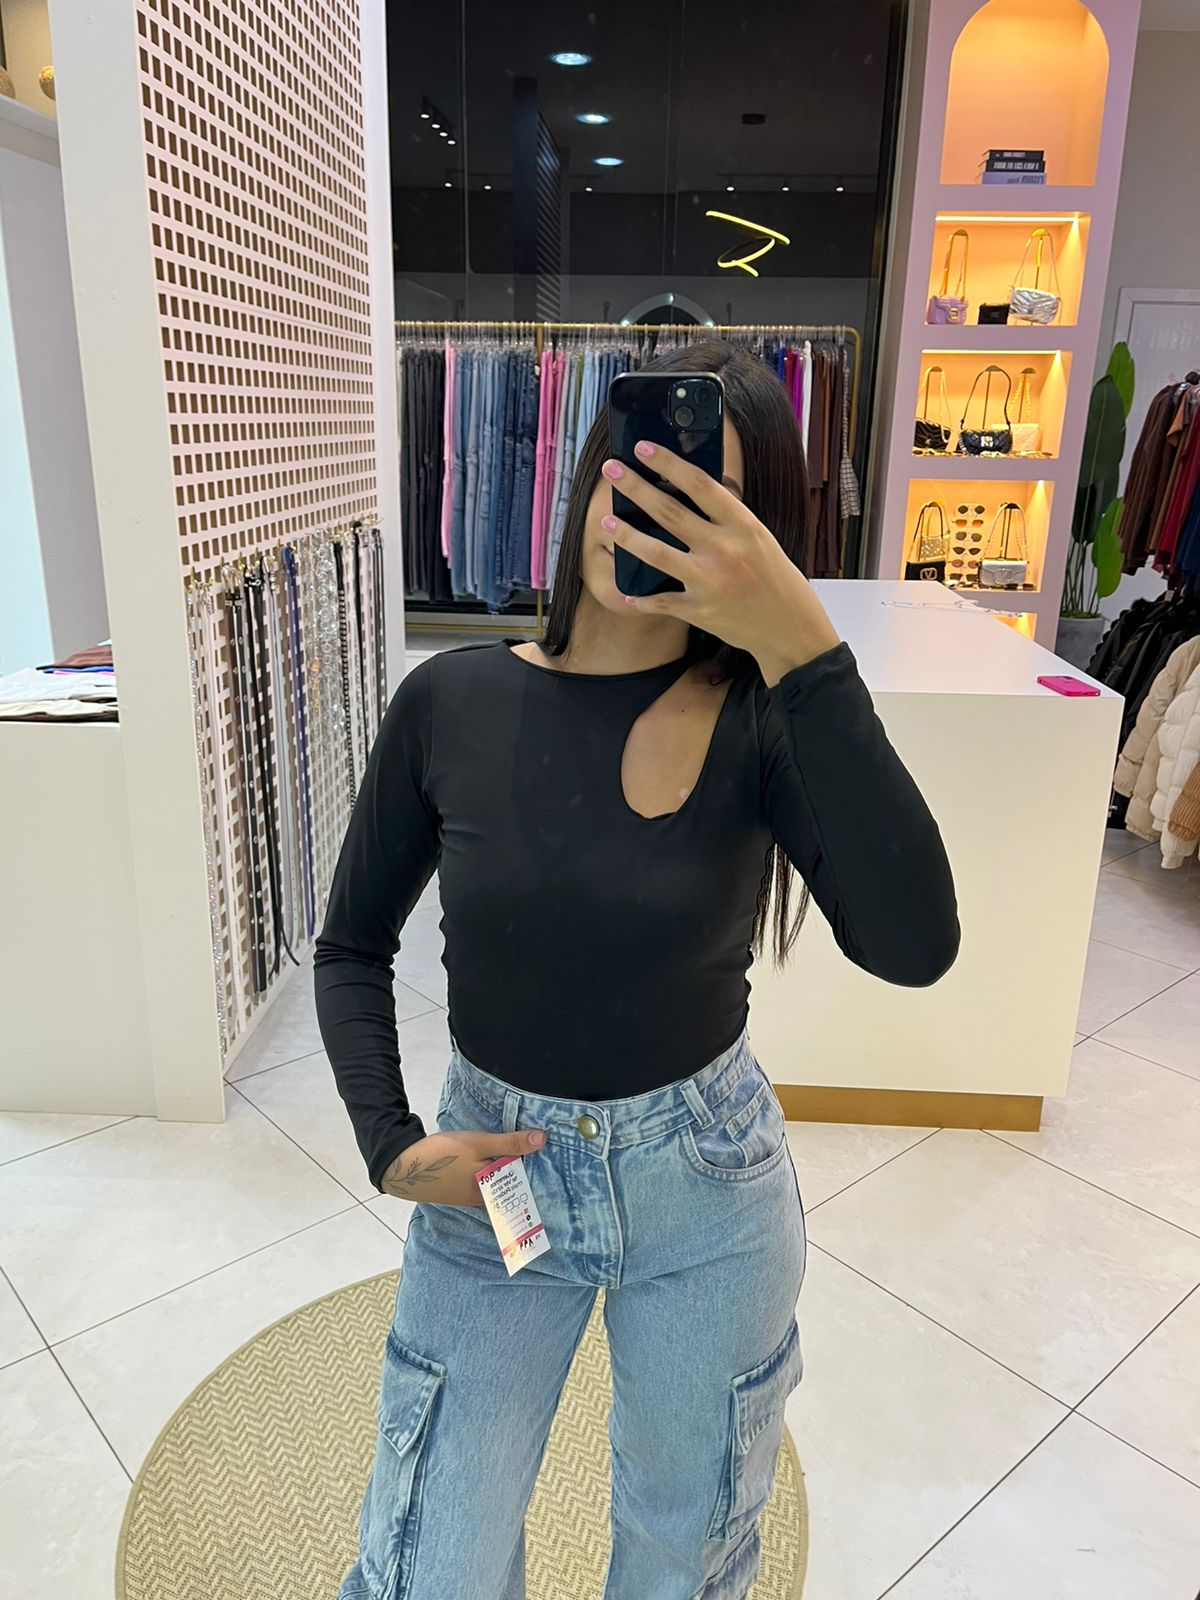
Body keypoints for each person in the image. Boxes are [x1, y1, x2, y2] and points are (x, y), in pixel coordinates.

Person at [314, 339, 960, 1600]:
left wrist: (806, 647)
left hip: (703, 1189)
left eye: (706, 500)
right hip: (501, 1183)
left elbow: (914, 943)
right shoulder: (449, 703)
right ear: (593, 471)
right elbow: (350, 944)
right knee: (429, 1565)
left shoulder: (766, 722)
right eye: (644, 467)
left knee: (683, 1562)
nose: (659, 510)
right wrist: (390, 1147)